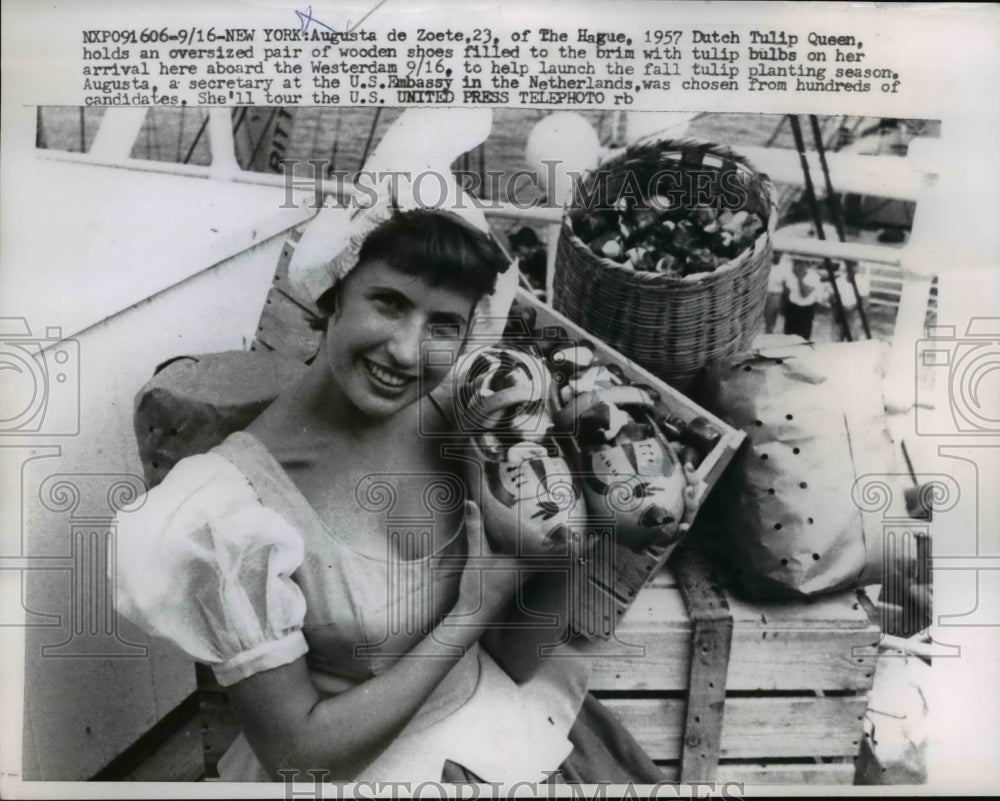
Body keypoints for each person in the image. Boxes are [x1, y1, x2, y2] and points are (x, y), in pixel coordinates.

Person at [113, 203, 703, 785]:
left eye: (443, 324)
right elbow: (302, 760)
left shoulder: (464, 420)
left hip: (501, 738)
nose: (405, 350)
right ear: (333, 295)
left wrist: (586, 529)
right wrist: (472, 609)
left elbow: (515, 660)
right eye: (389, 303)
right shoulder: (229, 510)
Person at [781, 256, 822, 339]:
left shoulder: (814, 277)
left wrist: (800, 278)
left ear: (807, 265)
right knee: (788, 337)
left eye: (801, 263)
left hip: (806, 311)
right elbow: (786, 292)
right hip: (792, 309)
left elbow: (805, 293)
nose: (798, 266)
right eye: (796, 263)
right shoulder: (789, 275)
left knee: (804, 337)